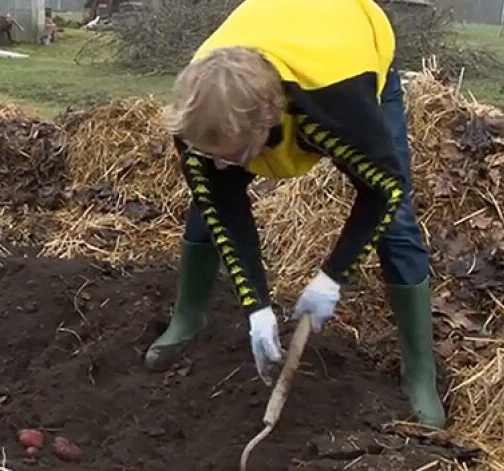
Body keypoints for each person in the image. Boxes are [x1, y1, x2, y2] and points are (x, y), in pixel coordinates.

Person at [144, 0, 446, 429]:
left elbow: (384, 190)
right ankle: (187, 319)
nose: (224, 164)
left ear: (268, 121)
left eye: (235, 153)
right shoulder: (198, 113)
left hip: (349, 44)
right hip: (274, 38)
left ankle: (420, 375)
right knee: (209, 199)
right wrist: (257, 309)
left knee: (394, 224)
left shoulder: (339, 105)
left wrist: (331, 279)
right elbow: (224, 207)